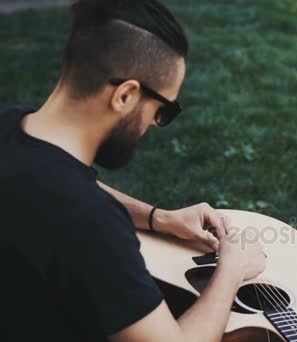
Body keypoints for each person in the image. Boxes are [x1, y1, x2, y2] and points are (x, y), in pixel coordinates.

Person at [0, 0, 266, 341]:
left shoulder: (10, 124)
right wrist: (232, 269)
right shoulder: (90, 226)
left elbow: (52, 181)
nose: (156, 124)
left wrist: (157, 218)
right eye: (163, 111)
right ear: (125, 96)